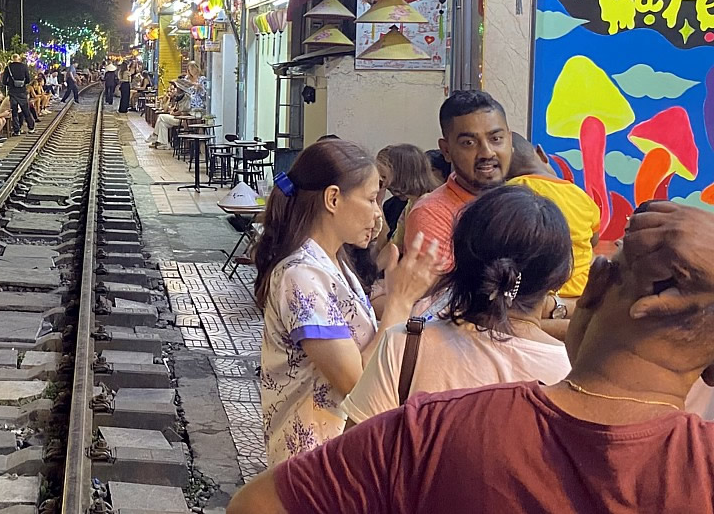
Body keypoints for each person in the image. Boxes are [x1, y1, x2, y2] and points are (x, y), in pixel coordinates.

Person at [228, 200, 714, 513]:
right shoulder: (699, 463)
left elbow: (257, 507)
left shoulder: (435, 430)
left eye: (611, 263)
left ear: (596, 288)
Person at [254, 139, 440, 465]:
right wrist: (399, 302)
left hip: (341, 453)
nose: (377, 214)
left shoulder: (333, 263)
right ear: (333, 198)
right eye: (370, 199)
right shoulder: (300, 275)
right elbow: (356, 383)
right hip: (313, 463)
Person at [339, 185, 572, 424]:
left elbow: (351, 455)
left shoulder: (405, 345)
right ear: (557, 277)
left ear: (460, 258)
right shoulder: (568, 372)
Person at [506, 132, 598, 338]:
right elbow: (594, 240)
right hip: (580, 300)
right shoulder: (581, 197)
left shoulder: (510, 193)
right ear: (540, 153)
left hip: (531, 303)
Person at [401, 90, 511, 262]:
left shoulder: (524, 203)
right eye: (469, 143)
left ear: (510, 141)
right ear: (446, 150)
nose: (487, 153)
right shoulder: (432, 215)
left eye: (496, 139)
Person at [375, 144, 439, 241]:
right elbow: (391, 246)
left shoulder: (428, 206)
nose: (382, 184)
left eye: (383, 177)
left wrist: (378, 203)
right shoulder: (410, 203)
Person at [1, 55, 36, 136]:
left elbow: (4, 81)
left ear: (12, 59)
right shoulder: (24, 67)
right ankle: (31, 127)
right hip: (22, 91)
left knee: (14, 111)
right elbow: (28, 79)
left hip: (12, 92)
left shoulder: (8, 67)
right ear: (19, 59)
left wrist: (11, 84)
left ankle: (17, 130)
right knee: (25, 110)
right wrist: (21, 83)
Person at [146, 81, 185, 149]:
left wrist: (173, 112)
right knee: (162, 123)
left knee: (161, 116)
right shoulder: (177, 98)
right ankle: (164, 143)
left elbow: (182, 111)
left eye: (174, 89)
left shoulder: (184, 98)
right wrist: (168, 99)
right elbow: (165, 109)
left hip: (180, 119)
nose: (172, 91)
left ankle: (155, 135)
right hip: (174, 117)